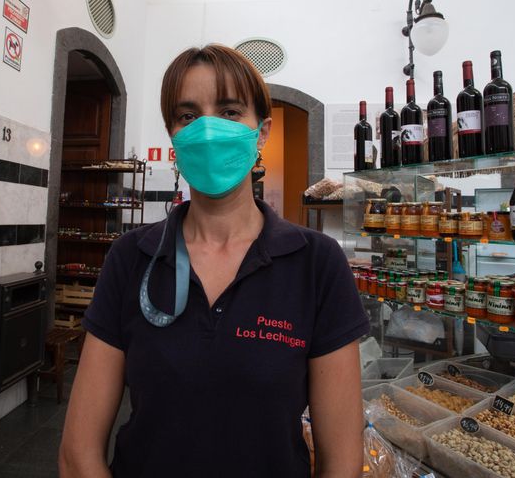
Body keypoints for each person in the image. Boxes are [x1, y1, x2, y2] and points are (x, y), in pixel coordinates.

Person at [59, 44, 368, 478]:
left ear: (261, 132)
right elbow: (78, 455)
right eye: (188, 116)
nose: (206, 130)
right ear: (173, 137)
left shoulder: (318, 264)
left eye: (228, 112)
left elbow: (341, 463)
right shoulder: (130, 257)